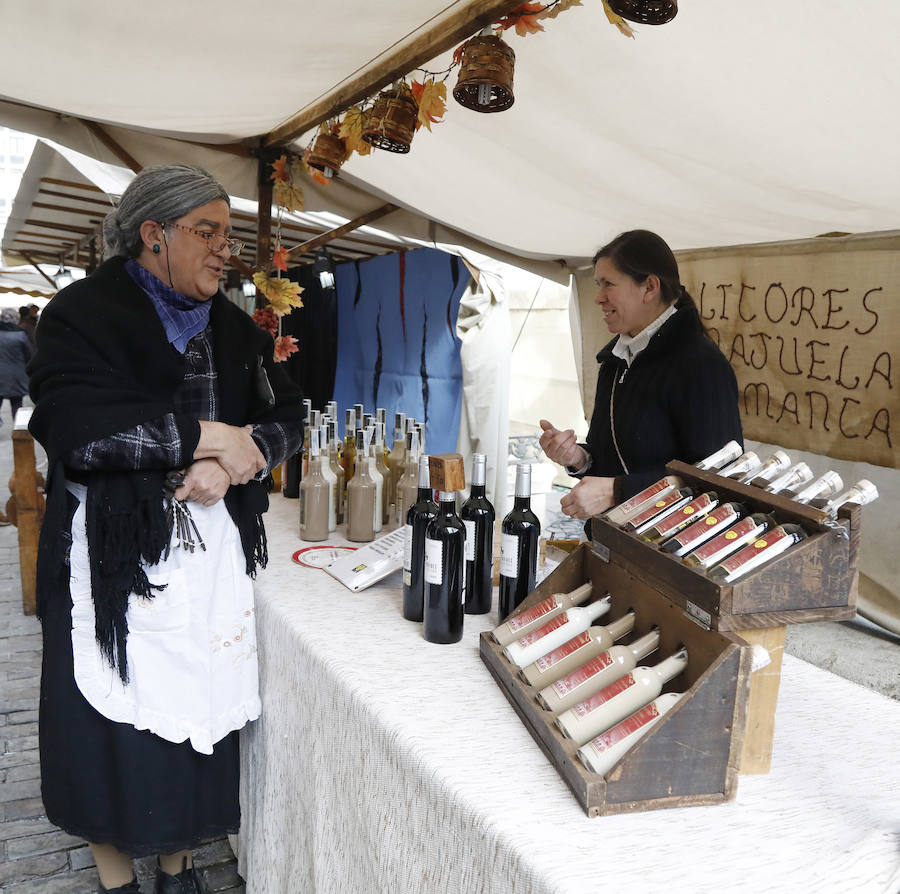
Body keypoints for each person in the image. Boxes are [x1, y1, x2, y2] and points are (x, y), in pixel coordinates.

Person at [28, 164, 304, 894]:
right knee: (106, 731)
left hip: (209, 556)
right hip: (108, 557)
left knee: (195, 719)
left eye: (228, 233)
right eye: (206, 232)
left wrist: (239, 462)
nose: (224, 249)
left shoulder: (236, 330)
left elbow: (288, 419)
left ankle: (179, 870)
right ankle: (117, 881)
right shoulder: (80, 315)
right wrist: (207, 435)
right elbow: (78, 435)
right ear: (154, 235)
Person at [540, 229, 742, 521]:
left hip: (669, 555)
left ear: (649, 287)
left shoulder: (701, 366)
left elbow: (721, 480)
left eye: (608, 284)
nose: (598, 297)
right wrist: (579, 459)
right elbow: (614, 459)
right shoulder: (615, 361)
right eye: (597, 284)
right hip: (615, 541)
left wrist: (617, 492)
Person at [0, 306, 33, 423]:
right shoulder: (21, 336)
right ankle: (18, 430)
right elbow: (29, 356)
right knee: (17, 404)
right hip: (16, 376)